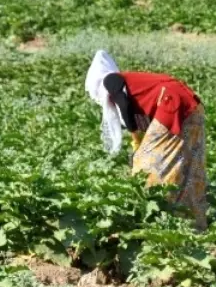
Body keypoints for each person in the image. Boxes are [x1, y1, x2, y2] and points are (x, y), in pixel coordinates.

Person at [84, 50, 208, 230]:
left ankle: (154, 218)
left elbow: (123, 105)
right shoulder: (132, 87)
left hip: (173, 103)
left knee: (146, 165)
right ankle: (190, 222)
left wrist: (136, 139)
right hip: (189, 106)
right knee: (187, 163)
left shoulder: (111, 80)